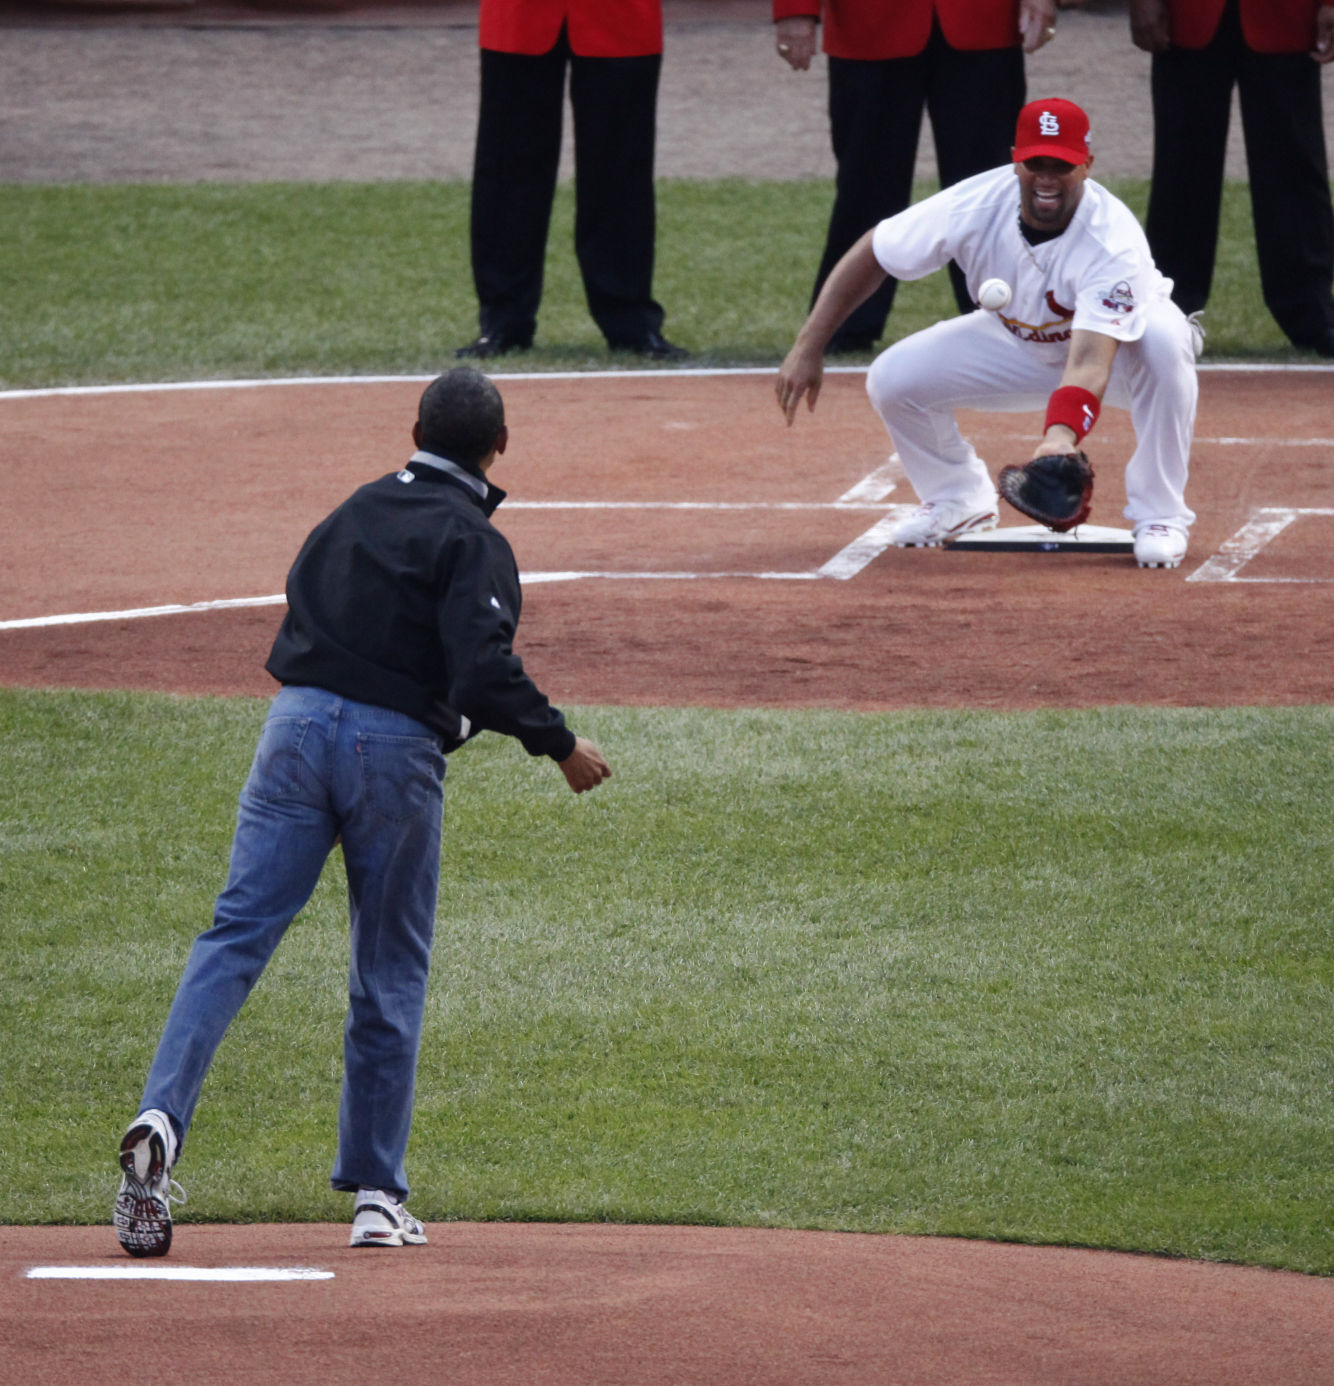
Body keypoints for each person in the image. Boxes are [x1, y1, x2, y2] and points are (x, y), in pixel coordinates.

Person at [113, 368, 612, 1258]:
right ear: (502, 447)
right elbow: (482, 673)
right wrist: (560, 746)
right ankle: (378, 1196)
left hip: (292, 730)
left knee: (234, 938)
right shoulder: (473, 538)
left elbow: (307, 603)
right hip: (390, 757)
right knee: (386, 970)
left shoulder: (352, 510)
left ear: (413, 427)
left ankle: (160, 1114)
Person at [776, 97, 1201, 570]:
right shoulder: (975, 203)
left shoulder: (1111, 240)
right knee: (893, 377)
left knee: (1165, 338)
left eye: (1060, 165)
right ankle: (957, 500)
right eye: (1034, 162)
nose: (1046, 176)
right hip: (1017, 344)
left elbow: (1088, 362)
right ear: (1015, 160)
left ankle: (1160, 515)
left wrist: (1060, 438)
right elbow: (876, 250)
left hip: (1121, 357)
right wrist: (808, 347)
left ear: (1086, 166)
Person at [772, 0, 1060, 355]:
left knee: (991, 188)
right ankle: (842, 325)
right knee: (864, 186)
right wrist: (794, 9)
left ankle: (1010, 316)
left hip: (983, 18)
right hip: (869, 22)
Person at [457, 0, 686, 361]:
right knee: (506, 171)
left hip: (621, 12)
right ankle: (503, 319)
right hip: (518, 12)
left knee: (623, 172)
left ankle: (629, 319)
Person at [1130, 0, 1334, 357]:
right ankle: (1169, 308)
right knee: (1179, 168)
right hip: (1186, 13)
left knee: (1296, 167)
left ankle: (1313, 311)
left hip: (1287, 16)